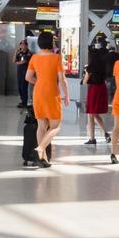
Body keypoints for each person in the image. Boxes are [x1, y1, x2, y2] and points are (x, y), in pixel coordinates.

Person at [26, 30, 67, 168]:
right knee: (56, 126)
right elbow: (62, 79)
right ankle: (41, 148)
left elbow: (28, 77)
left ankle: (43, 158)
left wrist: (39, 82)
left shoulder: (34, 58)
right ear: (51, 43)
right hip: (51, 92)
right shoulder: (56, 58)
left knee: (41, 126)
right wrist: (66, 95)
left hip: (38, 92)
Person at [82, 39, 111, 146]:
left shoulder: (90, 68)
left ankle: (92, 138)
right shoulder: (103, 67)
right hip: (102, 88)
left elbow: (85, 82)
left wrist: (86, 72)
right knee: (95, 114)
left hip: (94, 90)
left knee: (91, 114)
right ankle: (106, 133)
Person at [14, 40, 32, 109]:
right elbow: (14, 60)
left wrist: (17, 62)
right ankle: (22, 101)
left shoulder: (28, 53)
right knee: (19, 88)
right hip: (19, 73)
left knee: (23, 87)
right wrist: (16, 52)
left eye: (24, 44)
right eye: (21, 44)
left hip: (25, 73)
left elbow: (23, 61)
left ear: (26, 45)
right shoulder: (20, 53)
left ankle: (25, 102)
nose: (22, 46)